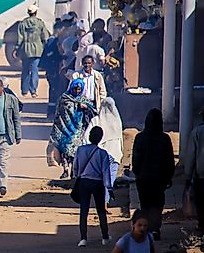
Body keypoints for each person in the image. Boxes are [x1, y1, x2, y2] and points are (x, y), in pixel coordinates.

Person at [131, 108, 175, 239]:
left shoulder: (140, 137)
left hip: (143, 179)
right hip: (159, 179)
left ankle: (146, 229)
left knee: (145, 204)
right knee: (157, 205)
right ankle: (155, 230)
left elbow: (136, 159)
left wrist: (137, 173)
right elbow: (169, 160)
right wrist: (168, 177)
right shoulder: (165, 139)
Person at [72, 127, 112, 247]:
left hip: (84, 182)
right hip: (98, 183)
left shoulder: (80, 150)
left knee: (84, 210)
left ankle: (83, 239)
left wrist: (77, 176)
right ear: (100, 138)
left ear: (89, 136)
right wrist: (109, 188)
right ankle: (105, 237)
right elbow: (106, 172)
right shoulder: (103, 153)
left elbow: (75, 166)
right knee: (101, 211)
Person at [49, 79, 96, 179]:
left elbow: (93, 110)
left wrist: (86, 108)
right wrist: (76, 105)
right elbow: (60, 111)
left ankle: (73, 172)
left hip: (78, 129)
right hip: (64, 127)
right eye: (75, 89)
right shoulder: (64, 98)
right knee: (64, 149)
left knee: (75, 151)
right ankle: (65, 169)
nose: (77, 91)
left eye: (79, 89)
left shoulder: (83, 99)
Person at [85, 98, 123, 208]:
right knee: (109, 181)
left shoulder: (96, 120)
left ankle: (102, 202)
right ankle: (104, 203)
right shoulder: (117, 121)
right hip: (115, 155)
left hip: (99, 156)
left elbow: (86, 138)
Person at [14, 4, 49, 98]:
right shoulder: (40, 23)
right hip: (37, 50)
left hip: (25, 49)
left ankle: (24, 91)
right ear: (36, 12)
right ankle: (33, 91)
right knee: (34, 70)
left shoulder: (23, 23)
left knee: (25, 70)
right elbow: (45, 36)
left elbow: (19, 38)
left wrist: (17, 49)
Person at [184, 107, 204, 234]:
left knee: (201, 202)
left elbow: (191, 156)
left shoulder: (197, 132)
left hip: (201, 175)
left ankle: (202, 225)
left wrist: (187, 176)